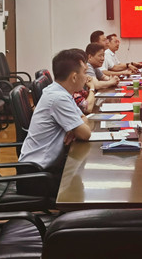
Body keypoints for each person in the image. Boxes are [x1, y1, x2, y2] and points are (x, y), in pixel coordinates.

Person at [18, 48, 92, 196]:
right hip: (36, 176)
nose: (87, 77)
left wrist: (74, 128)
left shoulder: (61, 91)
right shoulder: (58, 97)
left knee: (84, 176)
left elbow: (84, 119)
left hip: (45, 169)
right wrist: (75, 128)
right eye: (84, 72)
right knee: (89, 185)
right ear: (74, 77)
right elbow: (86, 133)